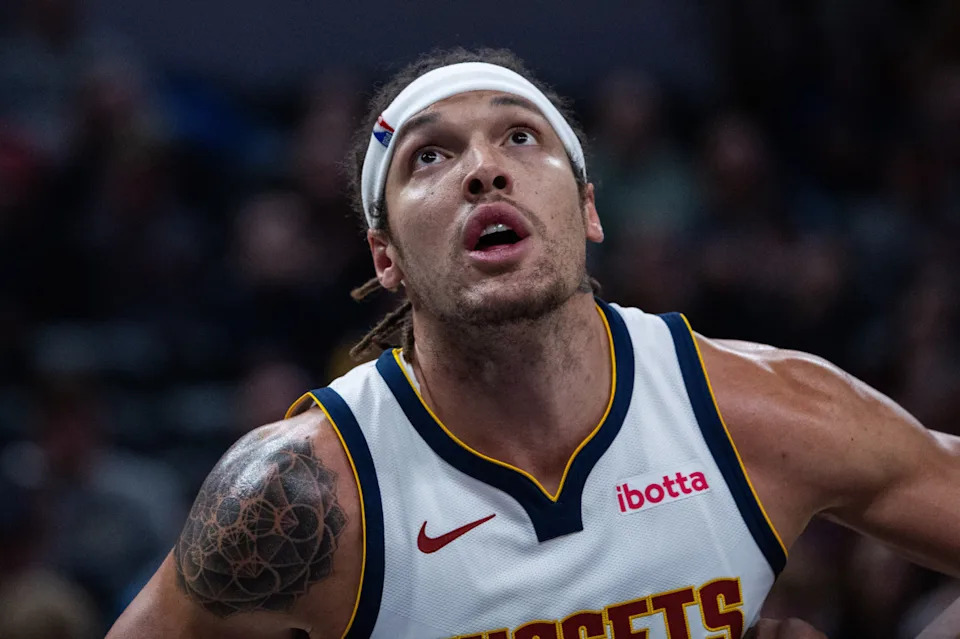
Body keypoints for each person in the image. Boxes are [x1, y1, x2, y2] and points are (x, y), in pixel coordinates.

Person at [107, 48, 960, 639]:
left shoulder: (756, 409)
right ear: (386, 257)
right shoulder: (303, 492)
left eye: (520, 136)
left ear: (588, 209)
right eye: (430, 157)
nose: (484, 168)